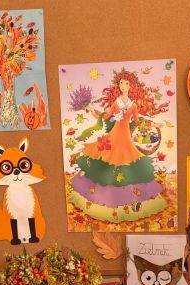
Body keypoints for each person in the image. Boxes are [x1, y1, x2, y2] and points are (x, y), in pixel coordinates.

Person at [71, 68, 169, 222]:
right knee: (110, 163)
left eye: (126, 83)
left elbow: (137, 122)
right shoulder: (116, 102)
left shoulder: (133, 105)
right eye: (121, 83)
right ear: (118, 85)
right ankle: (109, 201)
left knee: (130, 164)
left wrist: (153, 124)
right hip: (114, 136)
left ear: (131, 86)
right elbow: (106, 116)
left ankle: (134, 201)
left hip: (126, 138)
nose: (123, 86)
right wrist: (91, 110)